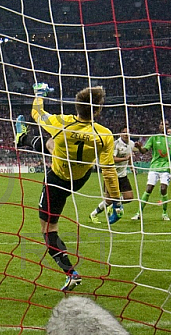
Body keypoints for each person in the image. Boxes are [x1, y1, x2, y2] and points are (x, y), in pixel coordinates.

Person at [14, 83, 122, 292]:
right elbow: (108, 170)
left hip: (57, 180)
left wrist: (39, 94)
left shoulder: (61, 123)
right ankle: (24, 139)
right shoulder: (105, 134)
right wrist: (115, 201)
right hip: (81, 178)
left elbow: (36, 112)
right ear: (98, 109)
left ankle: (70, 273)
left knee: (48, 230)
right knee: (51, 145)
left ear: (76, 106)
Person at [131, 120, 171, 222]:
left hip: (167, 168)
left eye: (166, 124)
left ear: (168, 127)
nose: (164, 126)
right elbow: (144, 151)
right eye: (162, 124)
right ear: (159, 126)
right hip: (154, 167)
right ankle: (138, 213)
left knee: (163, 189)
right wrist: (140, 147)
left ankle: (164, 213)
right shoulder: (154, 138)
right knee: (149, 189)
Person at [89, 126, 136, 223]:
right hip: (111, 175)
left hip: (123, 175)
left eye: (128, 132)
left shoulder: (131, 144)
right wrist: (124, 159)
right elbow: (112, 159)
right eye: (124, 132)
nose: (126, 134)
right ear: (120, 134)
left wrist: (132, 167)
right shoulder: (115, 144)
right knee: (108, 200)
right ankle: (93, 214)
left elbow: (129, 156)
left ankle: (113, 205)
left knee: (129, 197)